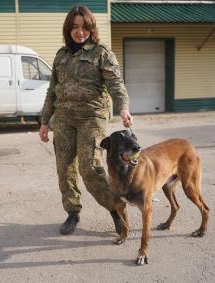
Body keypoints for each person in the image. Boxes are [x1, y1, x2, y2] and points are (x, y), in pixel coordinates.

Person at [39, 5, 133, 235]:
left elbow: (116, 84)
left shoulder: (101, 53)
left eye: (84, 27)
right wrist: (44, 121)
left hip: (92, 116)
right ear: (68, 29)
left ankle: (116, 211)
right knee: (64, 168)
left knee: (90, 167)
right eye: (75, 27)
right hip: (64, 119)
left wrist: (123, 108)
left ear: (91, 28)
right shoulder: (61, 56)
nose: (79, 32)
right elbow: (52, 90)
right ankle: (73, 212)